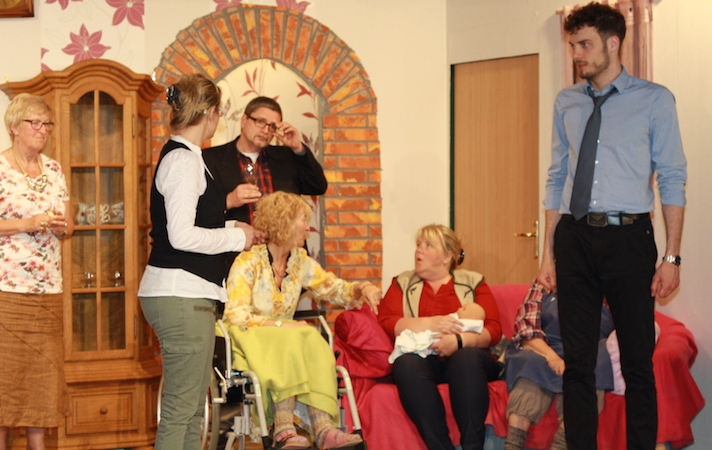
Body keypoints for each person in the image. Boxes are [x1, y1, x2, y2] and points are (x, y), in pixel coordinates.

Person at [539, 2, 687, 450]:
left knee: (638, 363)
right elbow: (556, 178)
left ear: (613, 42)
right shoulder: (566, 102)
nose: (576, 55)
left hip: (629, 238)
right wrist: (547, 254)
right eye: (572, 46)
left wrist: (672, 256)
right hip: (574, 237)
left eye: (584, 45)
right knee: (578, 364)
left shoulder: (655, 100)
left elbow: (672, 177)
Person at [137, 74, 260, 450]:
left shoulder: (189, 157)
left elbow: (191, 225)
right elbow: (181, 236)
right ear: (211, 113)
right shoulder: (183, 161)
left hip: (187, 294)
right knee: (181, 410)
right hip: (180, 294)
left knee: (193, 411)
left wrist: (231, 226)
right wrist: (236, 237)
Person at [0, 93, 73, 450]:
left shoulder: (54, 170)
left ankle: (38, 447)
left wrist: (60, 226)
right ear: (14, 127)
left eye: (47, 123)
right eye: (34, 123)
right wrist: (26, 223)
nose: (42, 130)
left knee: (42, 376)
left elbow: (69, 225)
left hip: (45, 291)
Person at [224, 191, 381, 450]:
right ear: (283, 222)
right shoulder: (248, 260)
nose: (307, 227)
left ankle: (323, 429)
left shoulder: (299, 261)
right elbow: (237, 315)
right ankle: (284, 426)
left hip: (288, 340)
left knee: (309, 336)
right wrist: (282, 326)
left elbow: (334, 288)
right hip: (249, 336)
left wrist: (363, 287)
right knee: (298, 334)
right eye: (302, 219)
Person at [377, 224, 503, 450]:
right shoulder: (402, 282)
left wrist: (459, 342)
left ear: (447, 256)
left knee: (465, 359)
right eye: (418, 244)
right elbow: (387, 321)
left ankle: (473, 446)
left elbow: (493, 330)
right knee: (405, 363)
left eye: (428, 245)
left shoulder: (473, 282)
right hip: (425, 358)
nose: (419, 250)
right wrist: (431, 323)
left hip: (469, 358)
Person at [504, 279, 614, 450]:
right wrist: (551, 356)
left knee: (597, 362)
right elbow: (526, 331)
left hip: (587, 349)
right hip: (543, 347)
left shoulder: (607, 284)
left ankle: (561, 446)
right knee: (531, 363)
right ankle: (513, 445)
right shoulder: (544, 283)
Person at [202, 96, 327, 225]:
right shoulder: (210, 159)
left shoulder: (286, 157)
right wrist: (228, 201)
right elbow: (198, 211)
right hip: (237, 237)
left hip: (282, 238)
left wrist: (298, 148)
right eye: (260, 122)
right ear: (244, 120)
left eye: (272, 126)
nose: (266, 130)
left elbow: (317, 187)